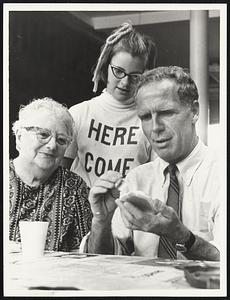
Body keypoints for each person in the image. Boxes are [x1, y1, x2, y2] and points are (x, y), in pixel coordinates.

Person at [81, 66, 220, 261]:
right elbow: (102, 261)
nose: (155, 128)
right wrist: (101, 221)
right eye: (146, 117)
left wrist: (181, 236)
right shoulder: (137, 179)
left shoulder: (221, 174)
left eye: (166, 113)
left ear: (194, 111)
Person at [62, 22, 157, 187]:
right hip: (82, 210)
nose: (125, 82)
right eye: (118, 71)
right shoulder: (79, 113)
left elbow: (156, 180)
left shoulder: (151, 121)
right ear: (105, 67)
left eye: (135, 76)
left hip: (129, 211)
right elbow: (61, 175)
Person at [9, 97, 92, 252]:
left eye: (61, 140)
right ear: (20, 137)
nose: (53, 145)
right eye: (43, 134)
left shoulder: (73, 186)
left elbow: (84, 252)